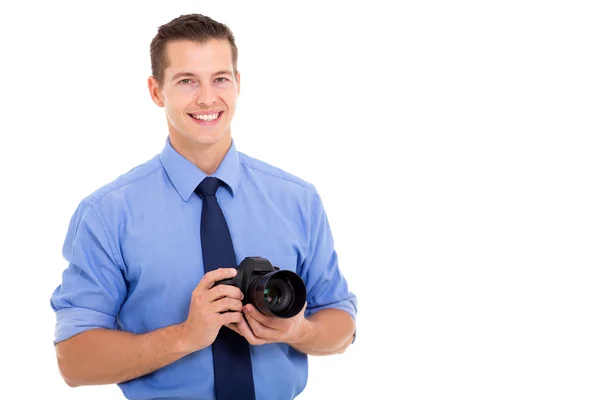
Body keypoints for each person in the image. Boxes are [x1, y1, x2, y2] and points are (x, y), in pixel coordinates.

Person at [50, 13, 357, 400]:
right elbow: (73, 362)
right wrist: (184, 336)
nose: (208, 98)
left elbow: (342, 324)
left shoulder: (298, 200)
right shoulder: (107, 215)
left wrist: (300, 331)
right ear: (156, 91)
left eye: (220, 79)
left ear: (238, 84)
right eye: (187, 81)